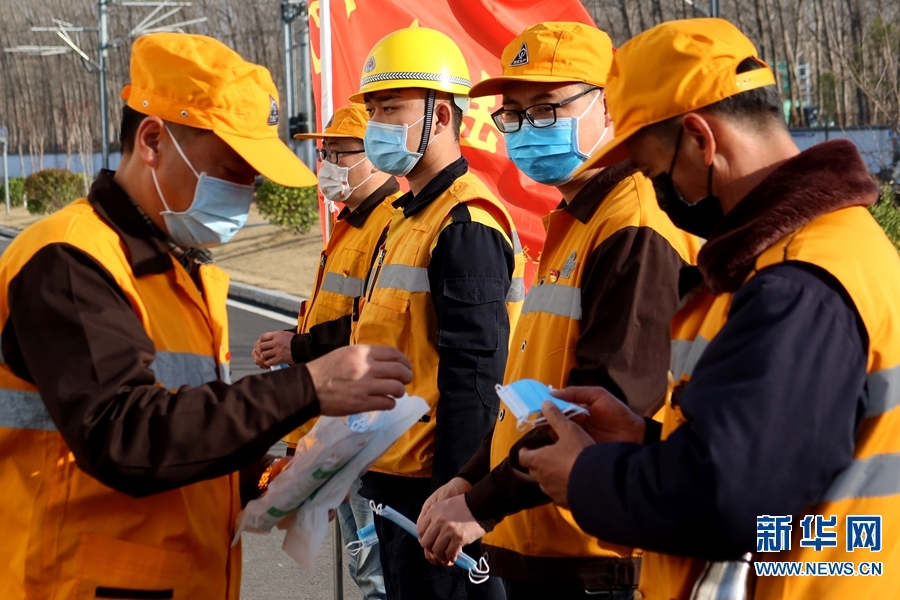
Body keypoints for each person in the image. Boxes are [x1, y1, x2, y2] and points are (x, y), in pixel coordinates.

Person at [0, 33, 412, 600]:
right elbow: (126, 434)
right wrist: (307, 388)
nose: (244, 193)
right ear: (152, 140)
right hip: (75, 582)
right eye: (231, 171)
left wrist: (268, 479)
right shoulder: (72, 260)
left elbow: (185, 429)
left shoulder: (178, 268)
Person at [516, 18, 900, 599]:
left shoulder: (795, 283)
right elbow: (778, 452)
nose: (659, 197)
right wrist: (644, 442)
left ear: (701, 139)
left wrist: (585, 478)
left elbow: (730, 499)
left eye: (652, 173)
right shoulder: (831, 246)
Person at [416, 22, 699, 600]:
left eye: (546, 108)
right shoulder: (575, 221)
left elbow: (601, 407)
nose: (525, 130)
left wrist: (481, 502)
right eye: (513, 114)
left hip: (598, 559)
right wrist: (468, 476)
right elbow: (535, 391)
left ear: (612, 106)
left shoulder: (633, 227)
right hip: (544, 546)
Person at [348, 26, 525, 600]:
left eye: (391, 107)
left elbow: (474, 376)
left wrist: (457, 498)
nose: (377, 123)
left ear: (442, 117)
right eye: (373, 108)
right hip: (395, 477)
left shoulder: (464, 222)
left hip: (432, 488)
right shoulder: (406, 218)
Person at [252, 102, 399, 600]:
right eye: (325, 152)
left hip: (368, 422)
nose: (328, 164)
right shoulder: (350, 223)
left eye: (341, 153)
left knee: (375, 563)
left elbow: (373, 324)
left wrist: (300, 347)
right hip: (338, 416)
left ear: (376, 156)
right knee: (365, 559)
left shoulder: (389, 224)